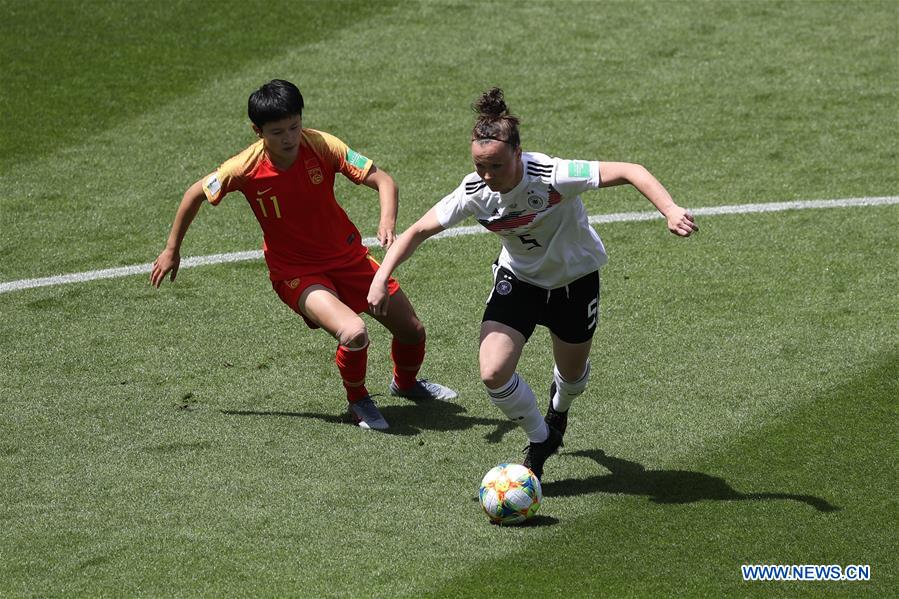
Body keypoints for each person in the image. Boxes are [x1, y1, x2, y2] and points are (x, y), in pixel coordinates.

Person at [368, 88, 697, 478]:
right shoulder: (473, 192)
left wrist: (670, 208)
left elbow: (630, 170)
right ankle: (541, 438)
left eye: (496, 167)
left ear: (518, 153)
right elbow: (417, 231)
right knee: (493, 373)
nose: (488, 177)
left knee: (572, 378)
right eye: (479, 166)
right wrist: (380, 278)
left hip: (574, 283)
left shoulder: (553, 175)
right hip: (518, 282)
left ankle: (559, 409)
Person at [151, 79, 456, 430]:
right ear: (258, 131)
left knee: (413, 330)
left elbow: (384, 180)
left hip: (349, 259)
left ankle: (405, 383)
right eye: (277, 131)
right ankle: (358, 400)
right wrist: (173, 248)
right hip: (295, 272)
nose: (289, 137)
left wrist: (387, 220)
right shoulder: (243, 168)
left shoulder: (323, 145)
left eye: (294, 126)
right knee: (354, 333)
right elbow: (195, 194)